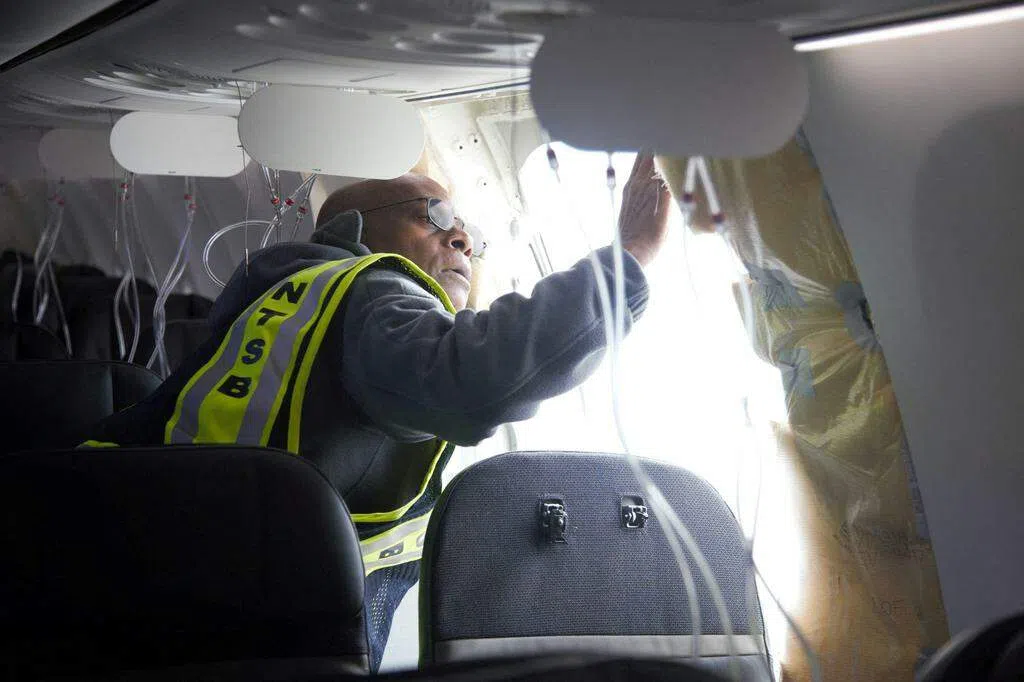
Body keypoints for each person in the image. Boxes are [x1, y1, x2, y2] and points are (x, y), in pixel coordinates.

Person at [83, 152, 671, 668]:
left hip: (147, 571)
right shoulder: (371, 288)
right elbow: (473, 377)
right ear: (353, 228)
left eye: (470, 232)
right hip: (261, 622)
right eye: (435, 216)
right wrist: (629, 259)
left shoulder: (288, 299)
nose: (463, 240)